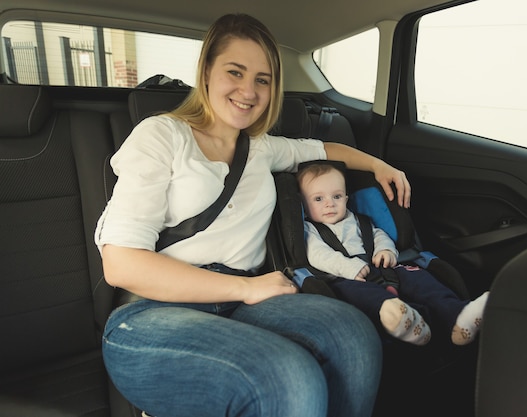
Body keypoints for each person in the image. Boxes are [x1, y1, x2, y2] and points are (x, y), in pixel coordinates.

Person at [95, 13, 413, 417]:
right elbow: (121, 264)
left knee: (354, 337)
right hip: (154, 311)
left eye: (262, 79)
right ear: (207, 71)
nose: (249, 90)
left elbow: (324, 150)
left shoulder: (262, 147)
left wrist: (380, 165)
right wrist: (246, 289)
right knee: (288, 376)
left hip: (243, 302)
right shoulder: (162, 136)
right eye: (235, 72)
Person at [297, 161, 489, 347]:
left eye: (337, 196)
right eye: (318, 199)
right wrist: (348, 267)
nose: (330, 204)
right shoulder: (310, 229)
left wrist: (386, 250)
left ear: (346, 198)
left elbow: (378, 235)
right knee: (363, 296)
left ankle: (457, 316)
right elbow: (317, 254)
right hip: (345, 277)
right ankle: (404, 320)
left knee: (419, 279)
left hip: (384, 267)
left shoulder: (358, 220)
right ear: (304, 205)